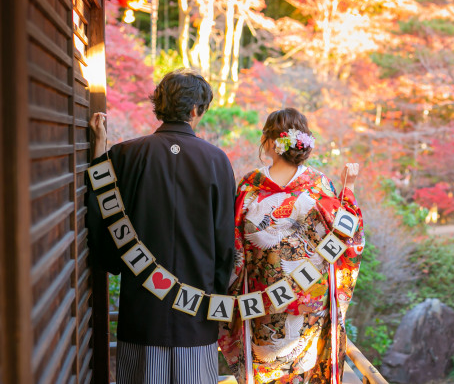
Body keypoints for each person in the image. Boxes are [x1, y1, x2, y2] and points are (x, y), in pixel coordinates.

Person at [87, 69, 236, 384]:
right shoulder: (216, 160)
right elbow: (225, 242)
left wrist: (99, 150)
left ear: (159, 105)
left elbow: (104, 209)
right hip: (196, 309)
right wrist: (218, 297)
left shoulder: (126, 154)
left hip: (142, 308)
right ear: (196, 111)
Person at [218, 108, 363, 384]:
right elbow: (349, 236)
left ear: (270, 143)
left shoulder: (249, 188)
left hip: (260, 302)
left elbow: (232, 248)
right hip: (309, 298)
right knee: (303, 372)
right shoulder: (320, 186)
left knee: (264, 371)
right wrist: (349, 191)